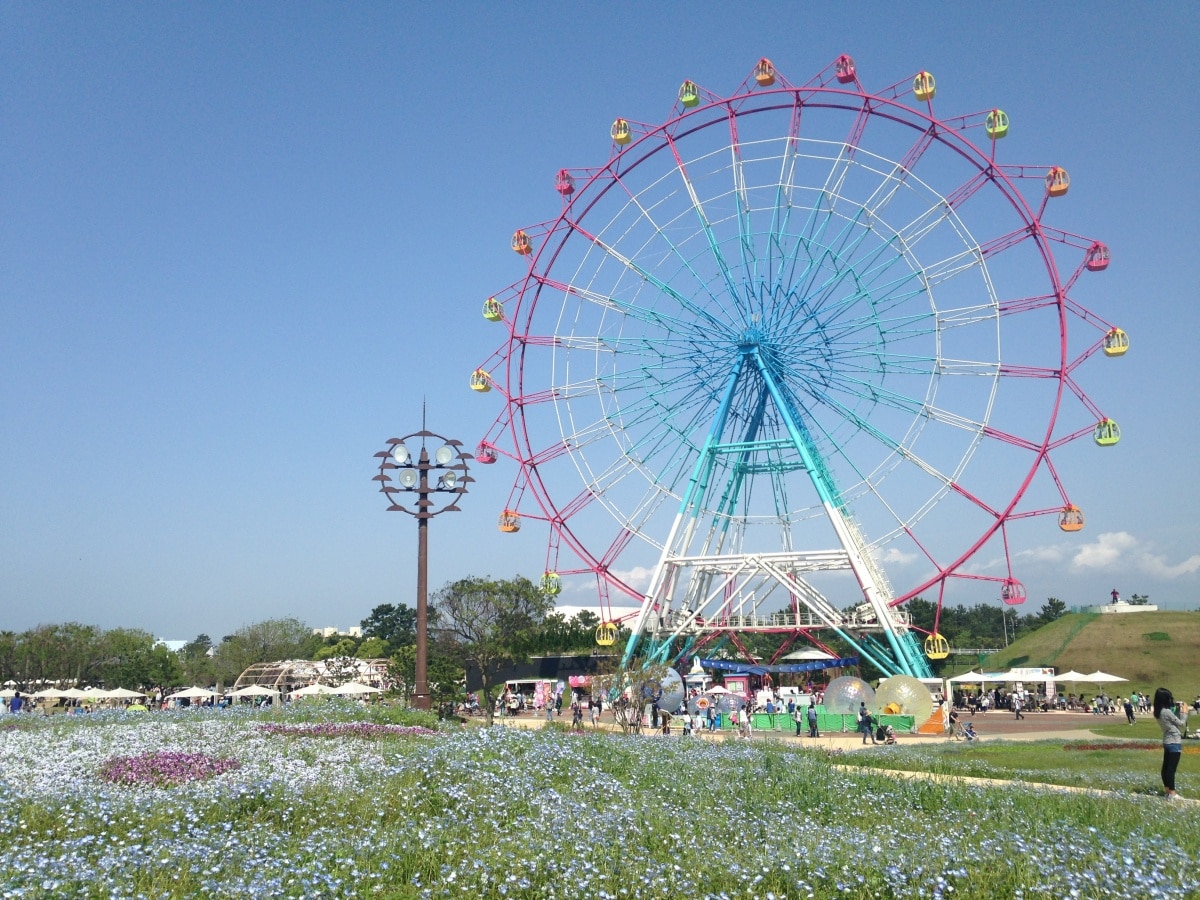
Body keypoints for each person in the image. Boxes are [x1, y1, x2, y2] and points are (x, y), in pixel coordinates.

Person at [1154, 687, 1188, 800]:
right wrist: (1184, 712)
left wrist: (1177, 711)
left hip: (1167, 741)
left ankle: (1167, 791)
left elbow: (1172, 720)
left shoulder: (1159, 712)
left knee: (1166, 768)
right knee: (1171, 769)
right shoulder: (1167, 711)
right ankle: (1173, 793)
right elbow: (1181, 723)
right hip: (1174, 741)